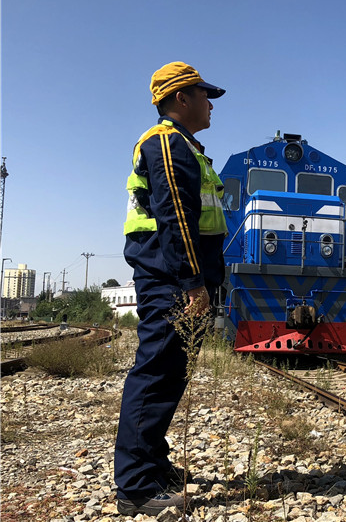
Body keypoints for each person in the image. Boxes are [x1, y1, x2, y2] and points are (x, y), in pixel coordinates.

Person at [115, 61, 228, 516]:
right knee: (157, 371)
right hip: (170, 279)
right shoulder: (166, 143)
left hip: (178, 279)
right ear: (182, 97)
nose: (210, 104)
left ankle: (152, 463)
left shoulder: (187, 147)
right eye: (205, 95)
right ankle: (135, 487)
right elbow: (175, 217)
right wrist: (192, 283)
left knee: (171, 374)